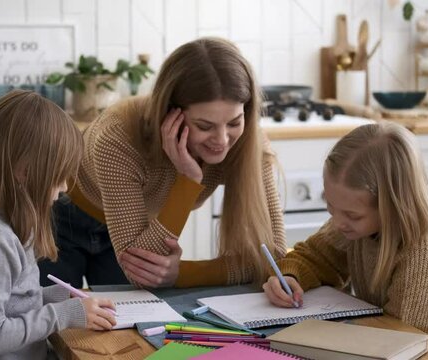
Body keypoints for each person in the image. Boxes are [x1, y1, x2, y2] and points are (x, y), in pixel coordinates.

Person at [38, 37, 286, 289]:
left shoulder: (249, 142)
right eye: (204, 126)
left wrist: (183, 273)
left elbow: (274, 257)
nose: (222, 140)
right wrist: (188, 180)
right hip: (63, 215)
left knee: (126, 323)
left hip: (137, 227)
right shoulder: (117, 137)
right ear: (169, 112)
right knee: (51, 318)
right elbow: (140, 270)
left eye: (234, 122)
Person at [262, 122, 428, 359]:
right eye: (330, 206)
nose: (337, 222)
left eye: (352, 215)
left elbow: (403, 343)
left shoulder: (426, 253)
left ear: (392, 206)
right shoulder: (356, 225)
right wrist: (290, 276)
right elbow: (316, 256)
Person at [0, 90, 116, 359]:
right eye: (58, 176)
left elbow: (12, 302)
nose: (64, 187)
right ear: (25, 172)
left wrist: (60, 297)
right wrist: (61, 315)